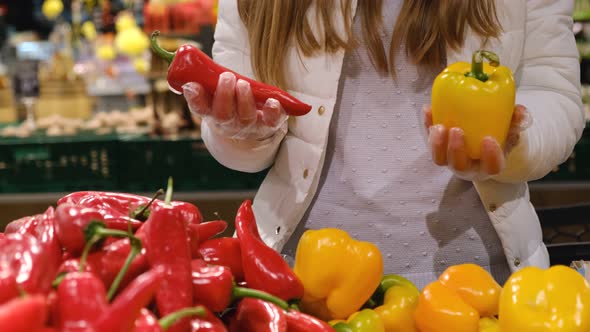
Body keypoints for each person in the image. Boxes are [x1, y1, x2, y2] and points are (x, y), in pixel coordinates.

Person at [180, 0, 585, 287]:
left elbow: (555, 93)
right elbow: (240, 138)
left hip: (479, 281)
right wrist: (240, 129)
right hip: (299, 282)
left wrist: (512, 142)